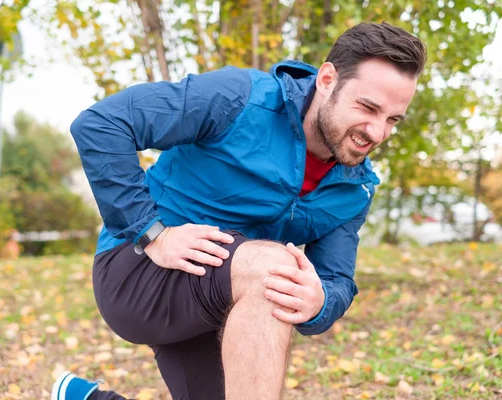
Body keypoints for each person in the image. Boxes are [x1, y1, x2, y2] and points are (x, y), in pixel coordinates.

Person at [51, 22, 427, 400]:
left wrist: (320, 301)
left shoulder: (354, 188)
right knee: (275, 271)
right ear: (327, 79)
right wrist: (153, 233)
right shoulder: (240, 98)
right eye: (368, 108)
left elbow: (337, 281)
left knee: (279, 280)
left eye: (393, 119)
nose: (377, 133)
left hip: (225, 308)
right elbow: (102, 124)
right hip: (139, 271)